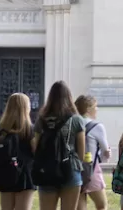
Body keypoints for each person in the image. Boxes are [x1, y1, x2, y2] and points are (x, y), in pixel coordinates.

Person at [33, 81, 88, 210]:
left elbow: (36, 147)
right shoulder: (76, 120)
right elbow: (81, 153)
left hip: (46, 169)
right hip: (71, 168)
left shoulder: (41, 119)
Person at [0, 93, 36, 210]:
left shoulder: (2, 131)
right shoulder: (29, 130)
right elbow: (36, 151)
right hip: (25, 174)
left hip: (5, 172)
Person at [76, 94, 111, 210]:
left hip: (74, 169)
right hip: (91, 168)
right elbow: (105, 151)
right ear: (88, 109)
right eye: (95, 106)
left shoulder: (72, 124)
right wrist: (105, 157)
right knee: (102, 205)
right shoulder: (97, 126)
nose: (97, 109)